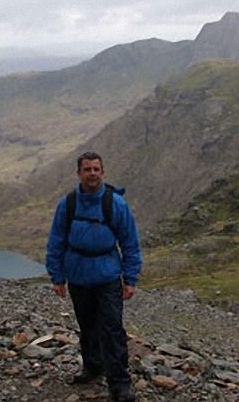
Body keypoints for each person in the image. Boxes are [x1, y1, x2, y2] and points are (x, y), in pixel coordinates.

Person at [46, 151, 142, 402]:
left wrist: (130, 279)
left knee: (112, 329)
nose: (92, 174)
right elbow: (56, 241)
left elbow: (130, 242)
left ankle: (120, 383)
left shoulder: (116, 204)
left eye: (96, 169)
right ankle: (92, 367)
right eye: (87, 169)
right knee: (87, 326)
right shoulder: (68, 205)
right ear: (79, 173)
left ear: (103, 172)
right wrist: (57, 276)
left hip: (108, 276)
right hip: (78, 276)